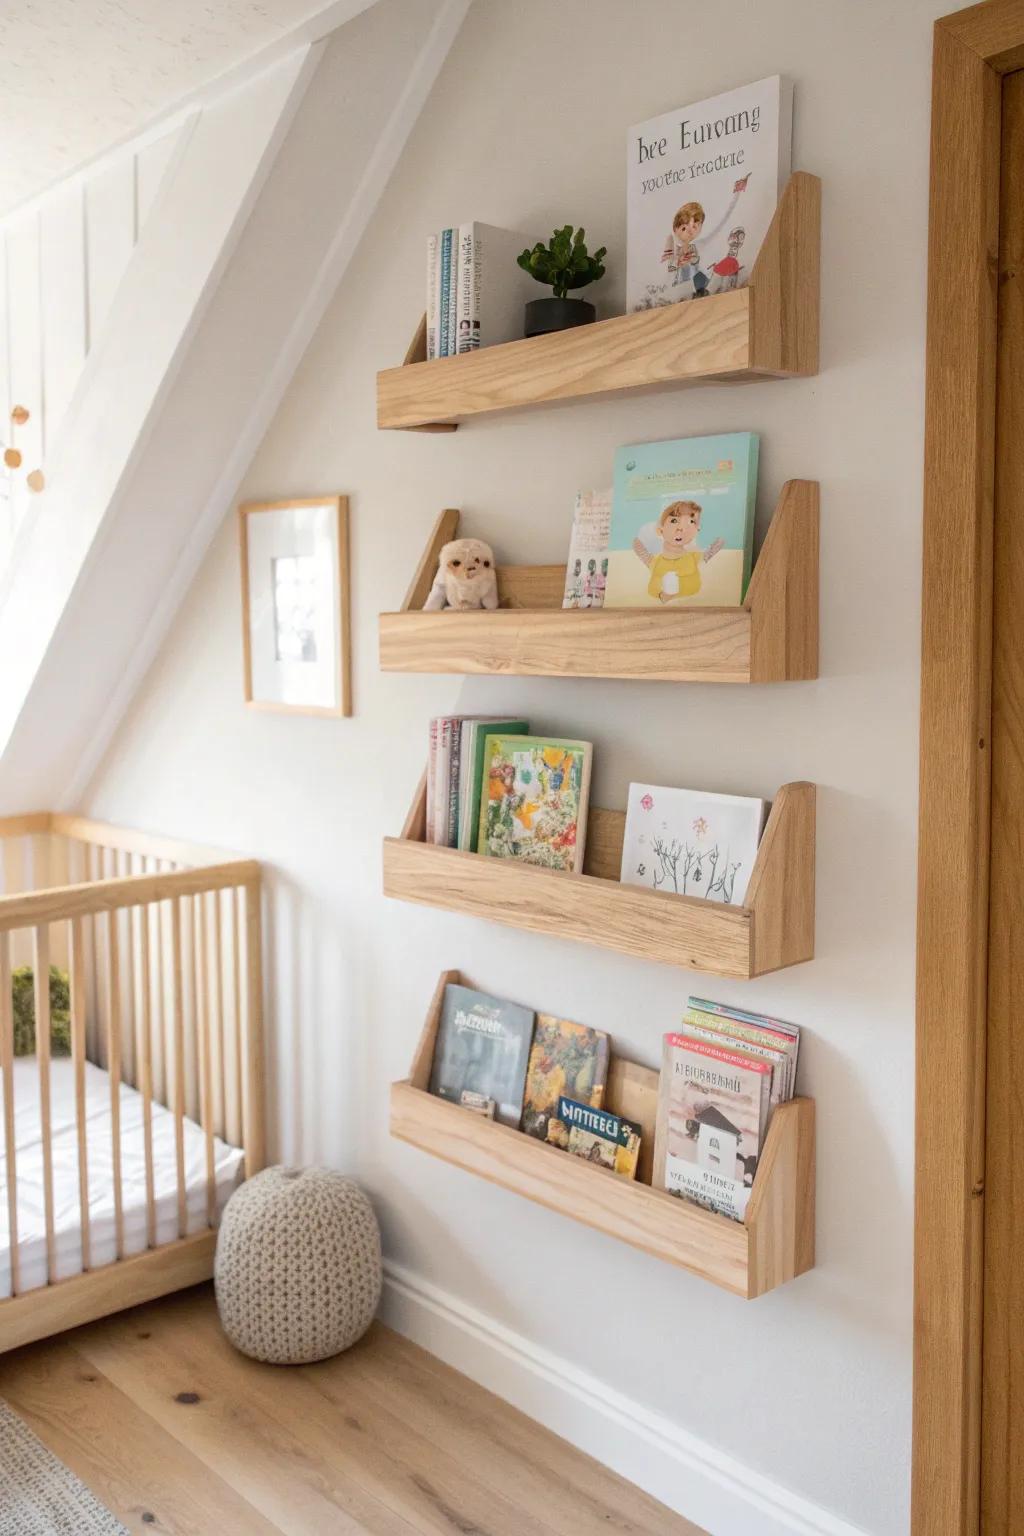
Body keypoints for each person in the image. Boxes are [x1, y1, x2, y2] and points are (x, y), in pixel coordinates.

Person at [631, 500, 723, 603]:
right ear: (660, 530)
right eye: (674, 521)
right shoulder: (656, 561)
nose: (681, 528)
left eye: (691, 521)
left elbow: (709, 552)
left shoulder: (693, 557)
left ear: (696, 531)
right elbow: (642, 553)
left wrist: (721, 539)